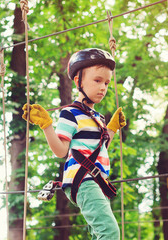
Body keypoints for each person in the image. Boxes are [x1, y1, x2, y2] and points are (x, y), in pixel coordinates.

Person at [22, 48, 125, 239]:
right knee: (109, 232)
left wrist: (111, 129)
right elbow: (61, 151)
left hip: (97, 180)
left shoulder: (98, 117)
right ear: (78, 81)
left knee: (98, 234)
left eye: (106, 82)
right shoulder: (70, 113)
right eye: (97, 80)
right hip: (83, 180)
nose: (103, 87)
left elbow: (97, 149)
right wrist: (47, 126)